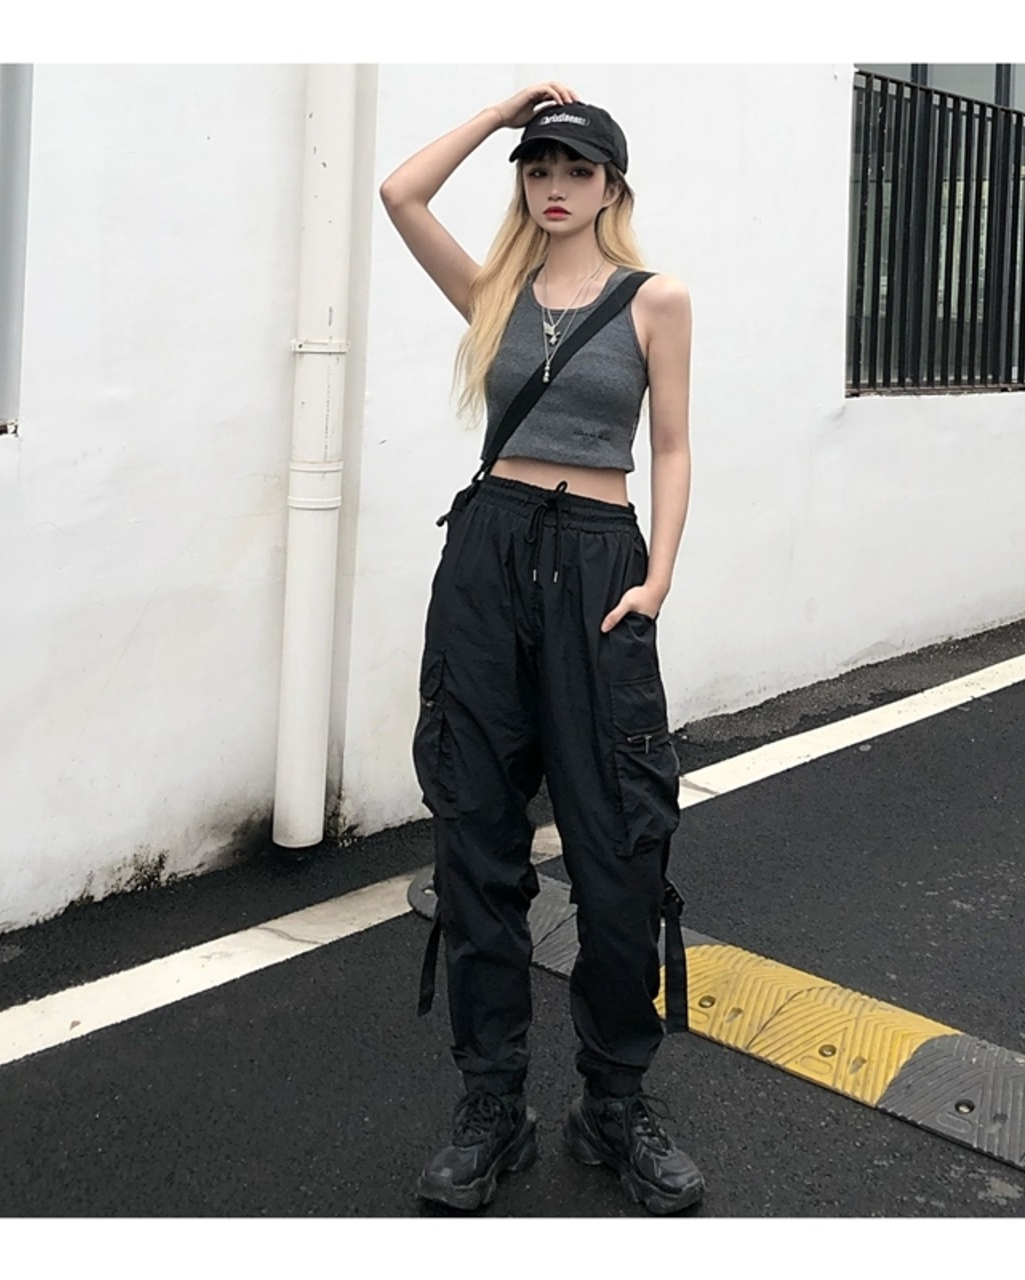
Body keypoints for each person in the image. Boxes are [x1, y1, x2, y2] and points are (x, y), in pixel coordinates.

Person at [380, 80, 702, 1215]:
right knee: (476, 840)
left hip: (601, 565)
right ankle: (491, 1105)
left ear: (612, 186)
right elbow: (399, 193)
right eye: (539, 168)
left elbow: (671, 445)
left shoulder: (655, 299)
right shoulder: (494, 292)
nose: (555, 186)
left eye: (576, 170)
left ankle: (612, 1102)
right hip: (489, 558)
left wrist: (658, 574)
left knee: (618, 850)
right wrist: (502, 112)